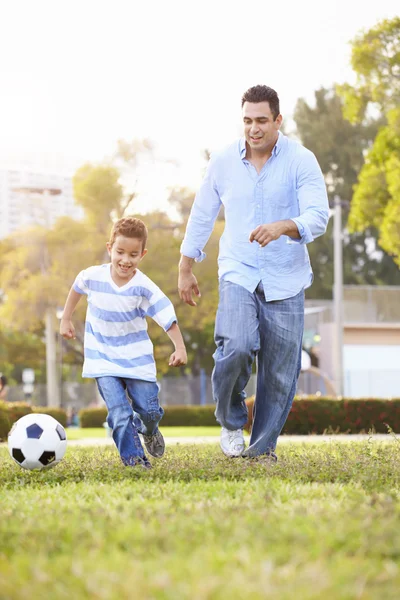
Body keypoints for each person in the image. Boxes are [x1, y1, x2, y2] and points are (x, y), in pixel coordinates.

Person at [178, 85, 329, 460]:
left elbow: (318, 215)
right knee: (237, 346)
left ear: (278, 120)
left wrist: (283, 226)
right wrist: (186, 266)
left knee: (280, 373)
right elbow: (202, 213)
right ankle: (231, 422)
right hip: (238, 271)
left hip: (286, 277)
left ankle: (262, 451)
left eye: (262, 120)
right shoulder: (224, 161)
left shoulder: (301, 160)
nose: (254, 128)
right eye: (247, 120)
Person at [60, 217, 187, 469]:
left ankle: (149, 430)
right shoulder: (93, 276)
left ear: (142, 254)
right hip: (103, 359)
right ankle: (135, 461)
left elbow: (166, 316)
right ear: (110, 248)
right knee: (119, 413)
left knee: (149, 411)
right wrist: (66, 318)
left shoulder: (143, 287)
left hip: (137, 360)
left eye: (133, 254)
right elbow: (76, 287)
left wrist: (180, 347)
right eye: (120, 252)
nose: (125, 260)